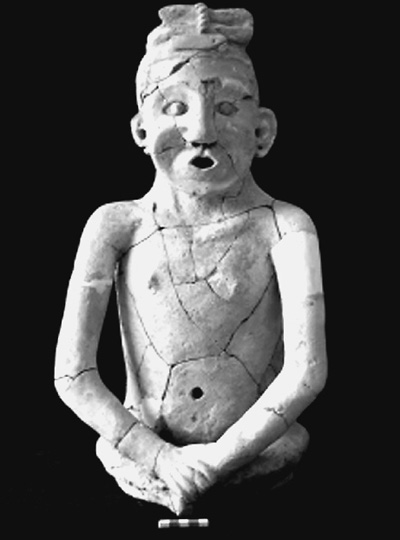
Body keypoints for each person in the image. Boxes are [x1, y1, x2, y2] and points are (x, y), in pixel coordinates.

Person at [55, 3, 327, 516]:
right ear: (141, 130)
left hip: (258, 452)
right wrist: (158, 456)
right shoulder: (116, 226)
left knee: (286, 444)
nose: (201, 130)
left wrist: (213, 462)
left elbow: (306, 372)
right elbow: (72, 375)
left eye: (226, 107)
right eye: (174, 107)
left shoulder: (286, 227)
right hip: (142, 448)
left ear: (263, 130)